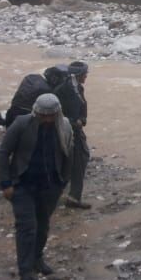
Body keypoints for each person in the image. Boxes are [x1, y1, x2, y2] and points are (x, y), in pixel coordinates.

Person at [0, 94, 73, 280]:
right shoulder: (22, 124)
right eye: (42, 116)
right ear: (36, 112)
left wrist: (63, 182)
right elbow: (4, 152)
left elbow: (69, 154)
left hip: (49, 186)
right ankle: (26, 271)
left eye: (50, 116)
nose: (47, 120)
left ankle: (37, 260)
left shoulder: (63, 125)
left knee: (43, 227)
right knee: (27, 228)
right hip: (22, 185)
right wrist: (5, 183)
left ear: (57, 113)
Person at [54, 61, 91, 210]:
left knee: (80, 158)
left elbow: (83, 106)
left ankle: (71, 196)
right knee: (72, 161)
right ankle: (71, 197)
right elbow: (56, 114)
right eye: (85, 74)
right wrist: (72, 122)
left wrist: (82, 119)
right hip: (65, 132)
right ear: (78, 75)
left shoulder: (78, 88)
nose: (86, 76)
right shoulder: (61, 90)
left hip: (76, 129)